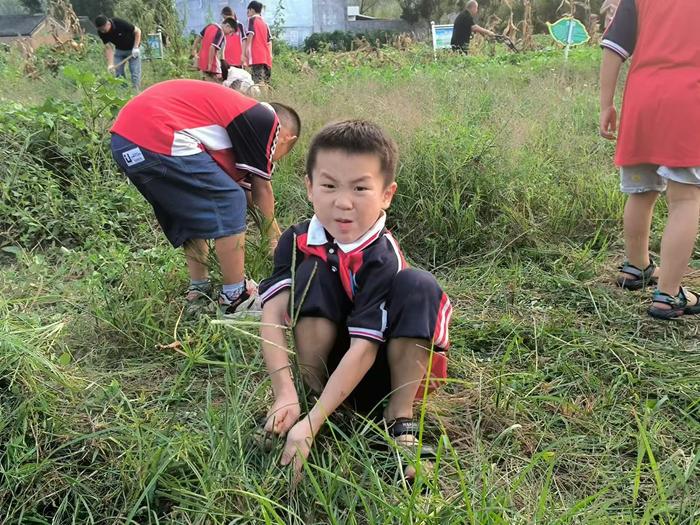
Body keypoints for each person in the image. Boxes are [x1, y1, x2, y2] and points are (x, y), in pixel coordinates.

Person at [258, 120, 453, 477]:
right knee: (314, 273)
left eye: (361, 188)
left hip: (380, 368)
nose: (343, 203)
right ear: (310, 187)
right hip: (325, 364)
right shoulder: (296, 240)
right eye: (329, 186)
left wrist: (313, 424)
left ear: (386, 195)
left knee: (419, 284)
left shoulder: (382, 256)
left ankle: (400, 419)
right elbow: (271, 313)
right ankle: (311, 396)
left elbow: (364, 347)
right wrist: (284, 391)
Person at [109, 79, 300, 317]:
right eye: (278, 154)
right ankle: (235, 298)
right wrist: (275, 239)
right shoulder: (266, 120)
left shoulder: (224, 129)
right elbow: (261, 189)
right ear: (286, 138)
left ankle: (199, 291)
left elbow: (246, 191)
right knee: (231, 200)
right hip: (159, 134)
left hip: (125, 142)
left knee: (188, 211)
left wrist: (273, 236)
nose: (272, 160)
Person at [599, 0, 700, 319]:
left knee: (640, 192)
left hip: (641, 101)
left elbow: (613, 48)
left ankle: (637, 266)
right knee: (685, 200)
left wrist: (606, 105)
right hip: (686, 101)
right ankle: (669, 295)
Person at [95, 15, 142, 90]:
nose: (102, 31)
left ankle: (135, 92)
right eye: (100, 30)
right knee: (119, 74)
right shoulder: (101, 32)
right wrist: (110, 64)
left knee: (135, 72)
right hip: (119, 51)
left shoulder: (119, 23)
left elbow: (138, 31)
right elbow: (108, 47)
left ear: (107, 24)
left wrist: (136, 47)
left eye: (103, 29)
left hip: (133, 50)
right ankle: (123, 92)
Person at [245, 1, 272, 85]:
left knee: (256, 81)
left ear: (252, 10)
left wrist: (246, 49)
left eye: (248, 11)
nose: (247, 13)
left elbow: (251, 34)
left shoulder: (252, 20)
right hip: (266, 57)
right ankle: (266, 96)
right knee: (265, 81)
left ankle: (258, 97)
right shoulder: (265, 23)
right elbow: (269, 41)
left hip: (257, 56)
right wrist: (270, 55)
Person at [221, 9, 247, 82]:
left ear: (233, 16)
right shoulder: (222, 27)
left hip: (237, 60)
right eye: (225, 18)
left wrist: (243, 54)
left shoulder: (239, 26)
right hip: (226, 60)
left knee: (239, 80)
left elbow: (244, 40)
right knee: (227, 81)